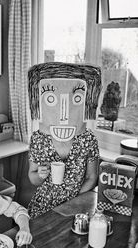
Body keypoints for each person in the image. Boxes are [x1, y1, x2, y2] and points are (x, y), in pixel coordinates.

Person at [27, 62, 102, 219]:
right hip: (43, 207)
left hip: (76, 207)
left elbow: (91, 177)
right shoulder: (38, 139)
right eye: (50, 99)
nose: (64, 116)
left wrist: (72, 200)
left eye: (77, 99)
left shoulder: (88, 140)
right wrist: (40, 175)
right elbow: (32, 177)